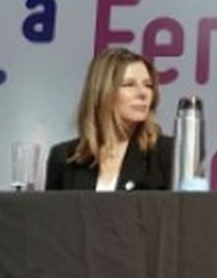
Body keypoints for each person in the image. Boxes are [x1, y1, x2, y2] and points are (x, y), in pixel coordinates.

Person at [45, 47, 173, 191]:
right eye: (129, 84)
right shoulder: (64, 157)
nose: (143, 93)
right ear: (103, 92)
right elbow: (53, 213)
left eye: (148, 85)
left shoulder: (167, 153)